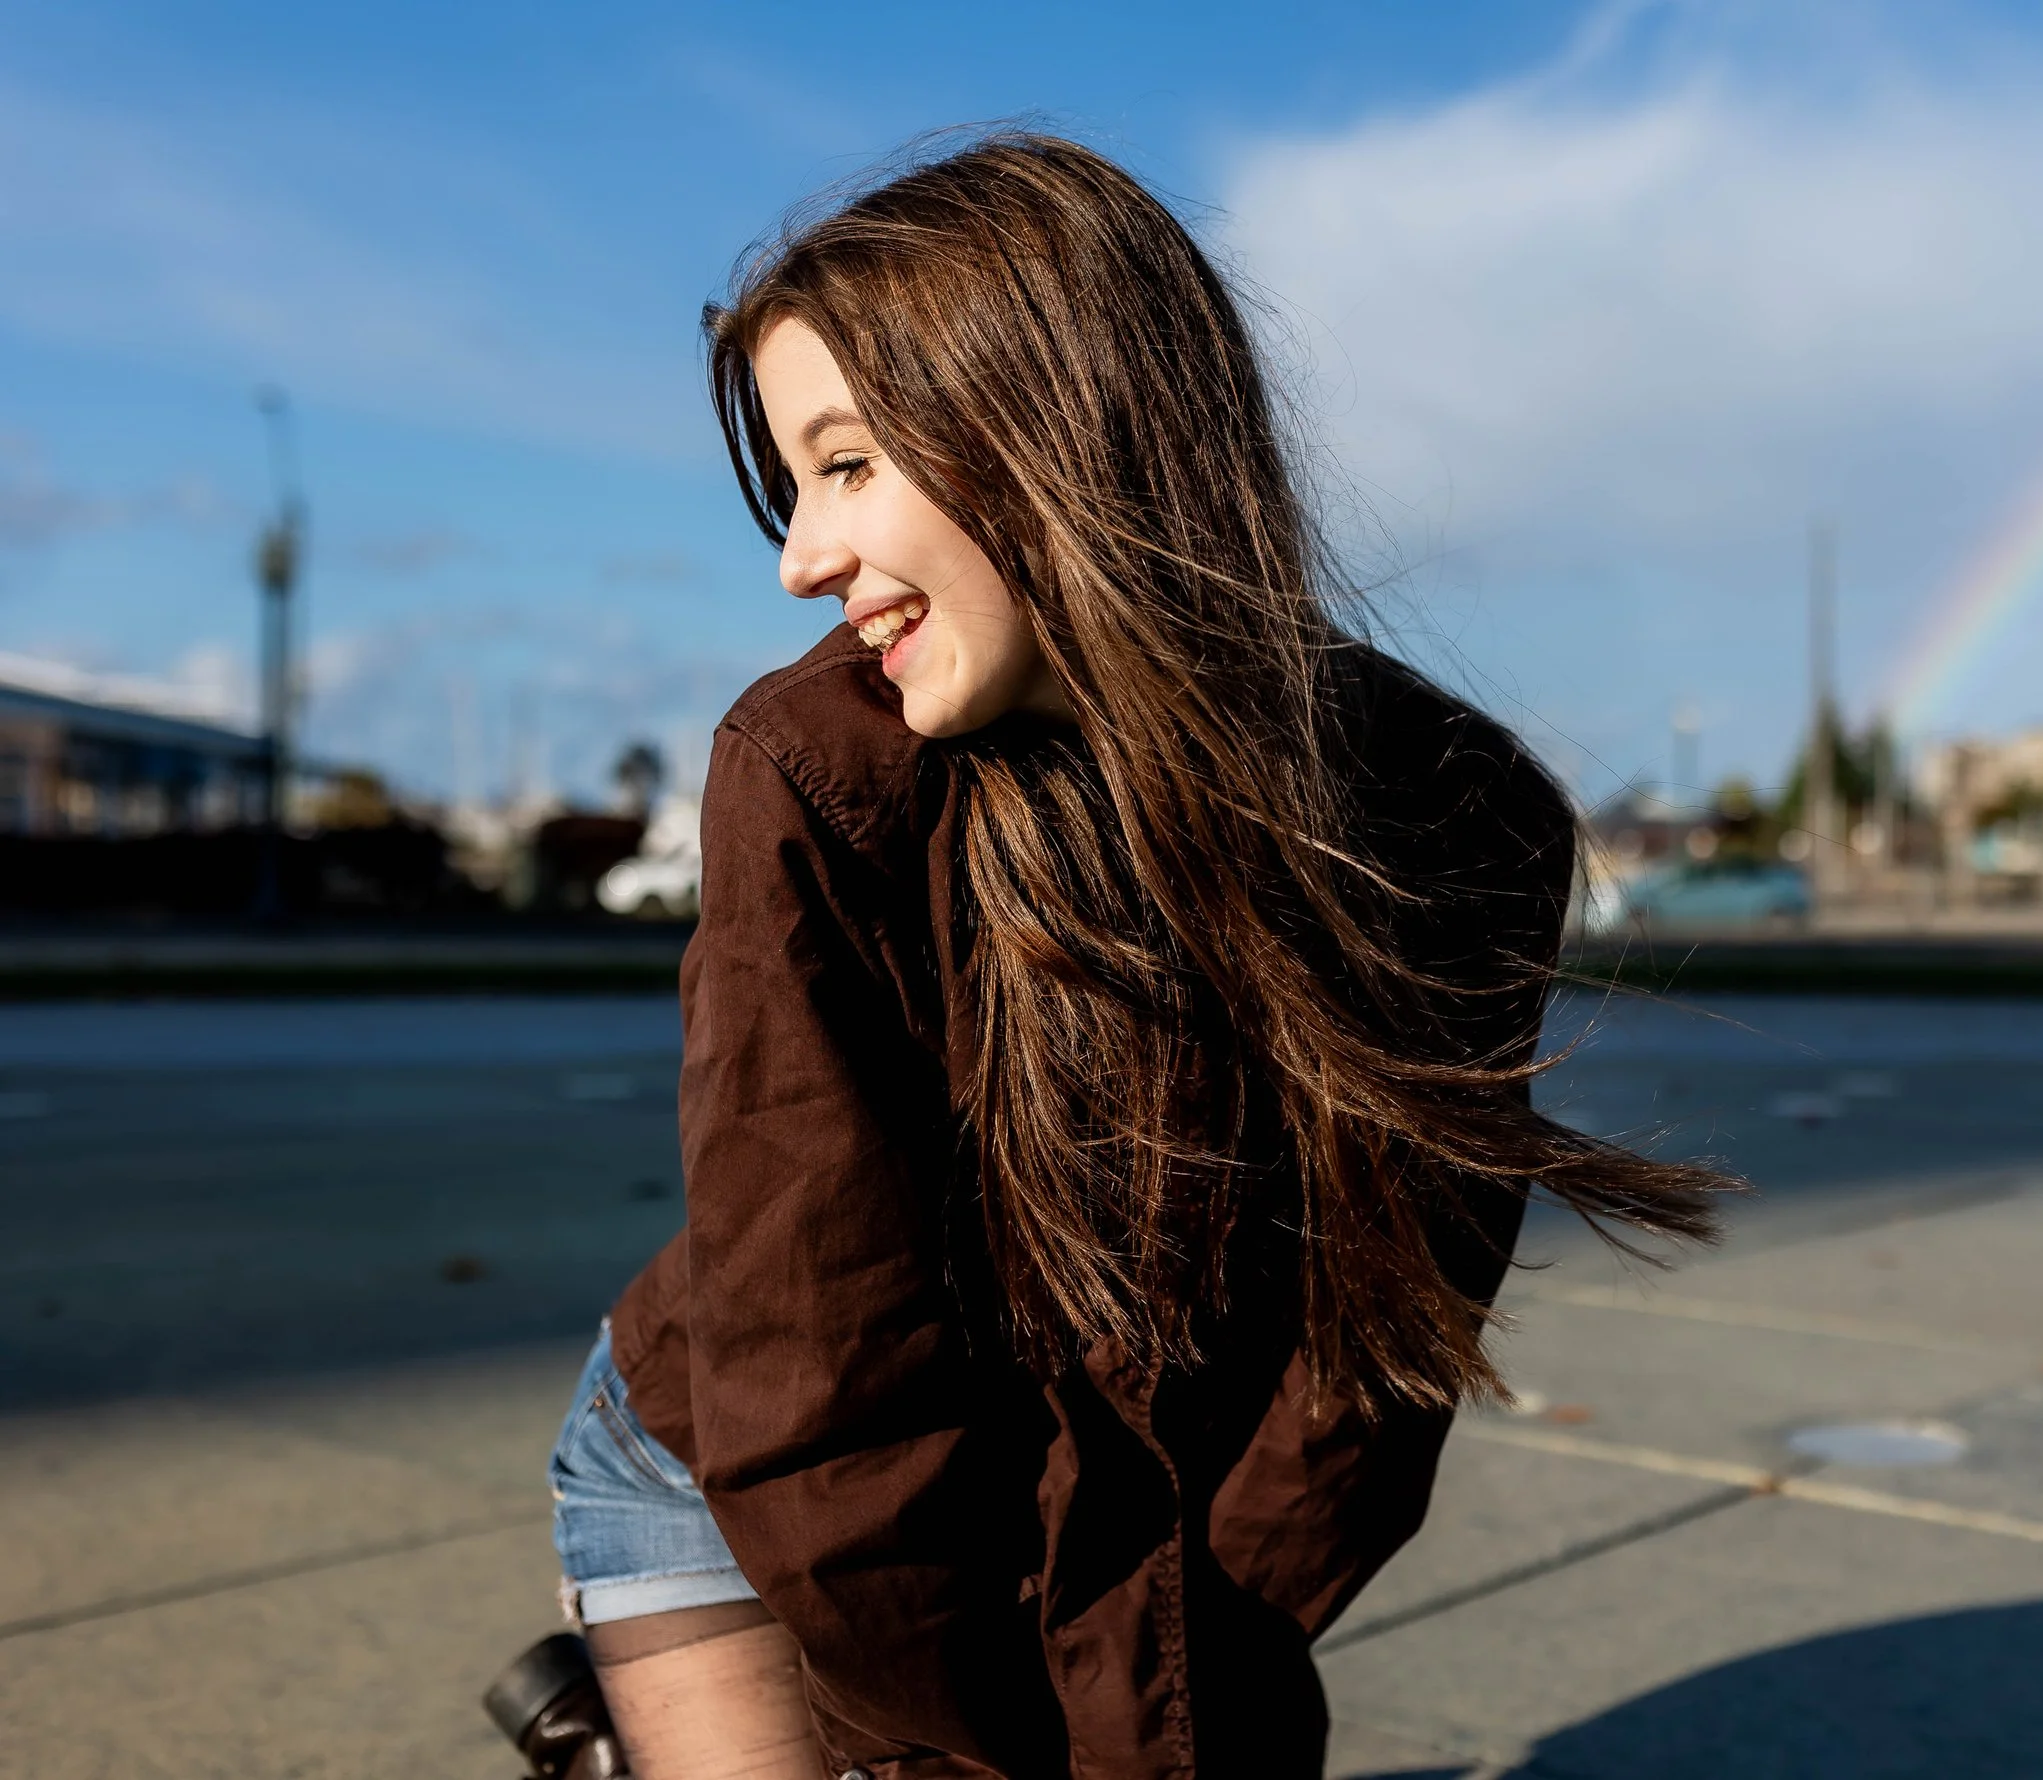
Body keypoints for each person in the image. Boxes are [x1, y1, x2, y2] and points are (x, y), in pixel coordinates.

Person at [513, 132, 1728, 1780]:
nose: (800, 556)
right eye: (794, 483)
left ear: (1055, 430)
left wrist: (1178, 1683)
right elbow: (821, 1374)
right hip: (737, 1473)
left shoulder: (1460, 817)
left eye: (849, 464)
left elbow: (1364, 1378)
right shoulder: (807, 774)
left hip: (1093, 1515)